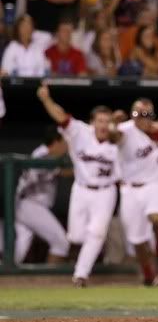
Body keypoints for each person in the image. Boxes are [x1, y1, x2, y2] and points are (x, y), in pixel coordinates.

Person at [36, 83, 120, 287]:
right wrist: (46, 99)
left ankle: (80, 275)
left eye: (107, 122)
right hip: (81, 190)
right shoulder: (80, 132)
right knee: (77, 236)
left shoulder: (119, 139)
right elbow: (60, 116)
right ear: (92, 123)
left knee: (97, 233)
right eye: (100, 121)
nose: (103, 125)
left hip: (105, 191)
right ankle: (81, 264)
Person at [110, 98, 158, 286]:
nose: (143, 119)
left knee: (157, 218)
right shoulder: (125, 130)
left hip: (154, 183)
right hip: (130, 189)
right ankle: (148, 274)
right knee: (137, 241)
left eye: (147, 115)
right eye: (139, 114)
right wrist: (113, 123)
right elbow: (113, 137)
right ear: (132, 115)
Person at [14, 127, 69, 264]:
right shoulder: (43, 155)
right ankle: (49, 282)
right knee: (61, 243)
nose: (67, 146)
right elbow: (63, 172)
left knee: (18, 251)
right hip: (30, 205)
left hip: (24, 204)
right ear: (56, 142)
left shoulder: (42, 152)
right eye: (65, 142)